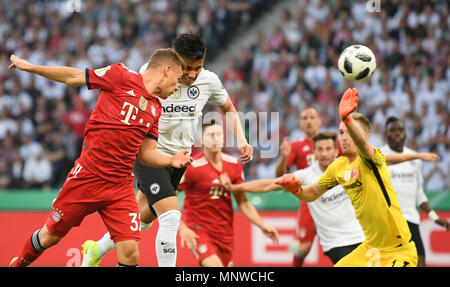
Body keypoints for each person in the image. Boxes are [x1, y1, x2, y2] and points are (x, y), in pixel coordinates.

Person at [8, 48, 193, 267]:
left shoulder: (155, 109)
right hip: (87, 177)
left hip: (120, 187)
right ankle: (19, 263)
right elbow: (73, 77)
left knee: (130, 253)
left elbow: (146, 154)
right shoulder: (120, 76)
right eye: (178, 79)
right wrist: (30, 67)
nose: (177, 88)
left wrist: (170, 160)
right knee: (50, 236)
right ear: (167, 70)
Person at [81, 34, 253, 267]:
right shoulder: (152, 73)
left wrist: (241, 138)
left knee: (143, 219)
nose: (192, 74)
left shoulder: (209, 80)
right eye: (187, 68)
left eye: (198, 68)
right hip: (150, 153)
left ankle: (96, 249)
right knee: (171, 216)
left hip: (179, 159)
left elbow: (228, 108)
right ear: (172, 61)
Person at [220, 131, 439, 265]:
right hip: (336, 243)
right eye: (320, 149)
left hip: (364, 239)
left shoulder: (347, 166)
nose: (324, 153)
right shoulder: (306, 175)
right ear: (314, 152)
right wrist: (237, 187)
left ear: (335, 151)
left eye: (328, 149)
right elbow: (269, 184)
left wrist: (418, 155)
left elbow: (386, 159)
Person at [276, 88, 418, 267]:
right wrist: (296, 190)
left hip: (398, 249)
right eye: (341, 132)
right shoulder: (338, 166)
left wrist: (348, 119)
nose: (344, 137)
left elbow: (364, 147)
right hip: (370, 249)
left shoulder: (373, 159)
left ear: (365, 137)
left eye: (349, 131)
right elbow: (311, 193)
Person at [178, 122, 278, 267]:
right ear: (202, 140)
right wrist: (182, 227)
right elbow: (169, 197)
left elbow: (243, 202)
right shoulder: (192, 167)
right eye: (210, 135)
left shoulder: (234, 164)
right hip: (198, 230)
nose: (215, 139)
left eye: (218, 135)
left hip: (225, 233)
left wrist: (262, 225)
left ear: (224, 139)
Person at [381, 116, 450, 267]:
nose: (397, 133)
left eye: (400, 130)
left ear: (406, 134)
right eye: (392, 130)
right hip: (389, 221)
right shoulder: (380, 157)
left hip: (411, 220)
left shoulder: (415, 158)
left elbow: (419, 193)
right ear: (386, 135)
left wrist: (434, 216)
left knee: (420, 262)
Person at [274, 106, 322, 266]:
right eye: (304, 118)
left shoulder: (332, 143)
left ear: (320, 121)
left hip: (331, 199)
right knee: (303, 248)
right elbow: (280, 175)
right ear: (300, 124)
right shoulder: (296, 146)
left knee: (340, 244)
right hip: (308, 202)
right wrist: (284, 157)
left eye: (312, 117)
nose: (308, 121)